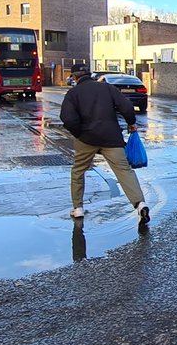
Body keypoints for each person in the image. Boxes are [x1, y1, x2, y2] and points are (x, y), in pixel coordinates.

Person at [60, 63, 150, 226]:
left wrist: (79, 134)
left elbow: (68, 119)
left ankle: (78, 208)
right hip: (111, 137)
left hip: (86, 138)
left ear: (74, 77)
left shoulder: (73, 93)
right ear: (90, 74)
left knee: (78, 171)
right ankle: (140, 204)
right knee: (124, 170)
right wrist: (131, 123)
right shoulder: (107, 88)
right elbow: (127, 107)